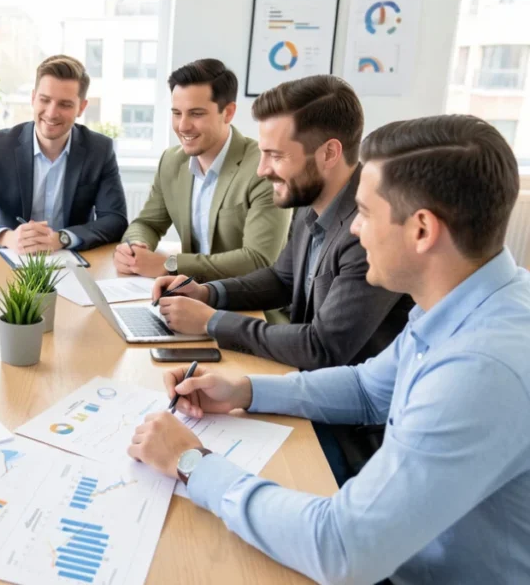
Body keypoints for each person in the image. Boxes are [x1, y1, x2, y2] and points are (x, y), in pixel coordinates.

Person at [130, 114, 530, 584]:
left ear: (422, 230)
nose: (354, 229)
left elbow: (341, 549)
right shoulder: (468, 300)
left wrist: (192, 464)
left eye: (365, 213)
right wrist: (244, 391)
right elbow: (367, 388)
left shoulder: (481, 368)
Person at [153, 75, 412, 371]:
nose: (262, 170)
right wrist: (208, 293)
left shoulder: (369, 229)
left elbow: (322, 348)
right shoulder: (311, 200)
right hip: (301, 377)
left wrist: (211, 321)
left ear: (329, 153)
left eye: (275, 156)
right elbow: (281, 280)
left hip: (342, 396)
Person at [114, 59, 289, 280]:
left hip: (249, 296)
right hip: (190, 292)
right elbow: (147, 223)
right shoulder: (171, 161)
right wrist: (134, 247)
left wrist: (171, 265)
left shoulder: (264, 168)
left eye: (196, 114)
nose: (183, 126)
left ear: (228, 112)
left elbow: (258, 259)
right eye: (177, 113)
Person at [0, 54, 128, 252]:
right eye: (45, 100)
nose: (51, 113)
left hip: (70, 259)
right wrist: (6, 237)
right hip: (9, 257)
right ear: (33, 98)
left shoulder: (100, 150)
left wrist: (62, 238)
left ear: (81, 107)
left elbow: (115, 220)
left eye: (65, 104)